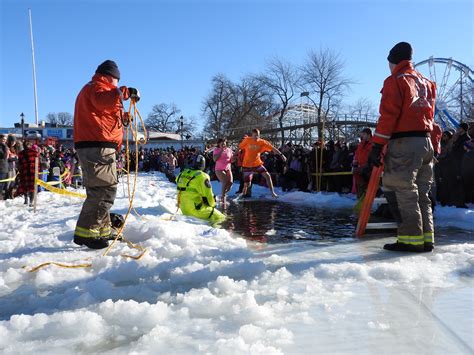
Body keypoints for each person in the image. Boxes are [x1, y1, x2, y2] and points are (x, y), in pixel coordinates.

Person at [369, 42, 436, 253]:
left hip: (404, 143)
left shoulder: (395, 81)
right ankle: (427, 238)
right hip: (426, 141)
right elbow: (430, 115)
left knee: (400, 189)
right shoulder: (426, 82)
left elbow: (389, 116)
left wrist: (376, 146)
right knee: (422, 193)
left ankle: (410, 240)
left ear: (393, 61)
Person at [73, 59, 140, 249]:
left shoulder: (99, 88)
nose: (118, 85)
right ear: (112, 78)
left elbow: (105, 112)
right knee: (104, 189)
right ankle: (87, 233)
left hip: (100, 144)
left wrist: (123, 119)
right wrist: (123, 92)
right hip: (96, 145)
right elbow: (103, 101)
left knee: (104, 188)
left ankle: (101, 229)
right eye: (117, 81)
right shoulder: (98, 87)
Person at [176, 155, 225, 223]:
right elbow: (209, 196)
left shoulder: (182, 173)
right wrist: (213, 205)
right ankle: (214, 230)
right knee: (220, 217)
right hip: (194, 209)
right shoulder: (202, 176)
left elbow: (180, 183)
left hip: (183, 208)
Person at [238, 129, 287, 198]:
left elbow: (273, 148)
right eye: (255, 136)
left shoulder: (262, 142)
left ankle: (272, 193)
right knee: (247, 184)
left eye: (257, 135)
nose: (256, 137)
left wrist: (282, 155)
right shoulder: (247, 140)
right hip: (247, 165)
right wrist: (234, 154)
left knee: (268, 176)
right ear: (252, 135)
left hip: (257, 164)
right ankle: (243, 191)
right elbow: (239, 147)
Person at [17, 140, 40, 206]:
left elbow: (37, 163)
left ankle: (29, 200)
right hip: (29, 171)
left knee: (28, 186)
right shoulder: (34, 152)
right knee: (29, 186)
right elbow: (38, 164)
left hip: (28, 171)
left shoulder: (34, 153)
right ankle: (28, 200)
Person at [353, 128, 373, 198]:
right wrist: (355, 160)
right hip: (361, 165)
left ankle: (365, 191)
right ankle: (361, 195)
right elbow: (357, 153)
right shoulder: (361, 144)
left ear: (368, 135)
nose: (362, 136)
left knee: (357, 172)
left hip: (370, 166)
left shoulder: (373, 143)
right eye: (362, 135)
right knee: (357, 174)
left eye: (364, 134)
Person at [213, 138, 234, 204]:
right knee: (225, 182)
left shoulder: (229, 150)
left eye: (224, 144)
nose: (223, 145)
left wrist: (234, 159)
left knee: (230, 183)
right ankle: (223, 197)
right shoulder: (216, 150)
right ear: (219, 144)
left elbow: (231, 160)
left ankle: (222, 194)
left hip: (228, 168)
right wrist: (221, 151)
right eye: (222, 144)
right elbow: (215, 159)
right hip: (219, 169)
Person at [0, 135, 8, 200]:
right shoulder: (2, 146)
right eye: (3, 139)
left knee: (3, 184)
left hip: (5, 167)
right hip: (1, 167)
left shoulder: (4, 146)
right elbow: (4, 156)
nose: (4, 140)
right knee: (1, 183)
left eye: (5, 139)